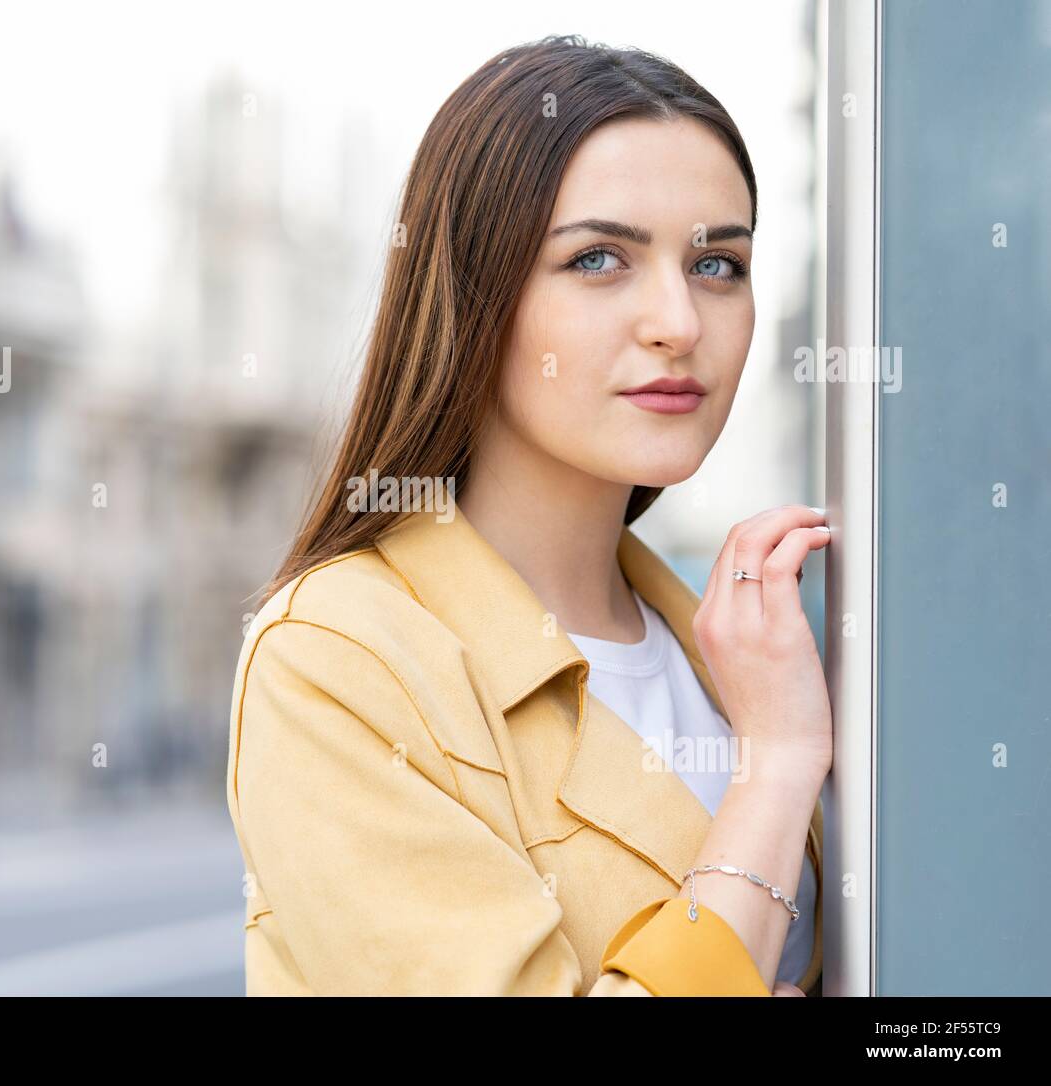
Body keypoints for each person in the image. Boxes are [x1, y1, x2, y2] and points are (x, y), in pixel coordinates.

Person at [225, 33, 832, 996]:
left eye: (718, 263)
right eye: (599, 259)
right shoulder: (338, 658)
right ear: (473, 293)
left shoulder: (748, 652)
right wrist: (780, 767)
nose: (678, 319)